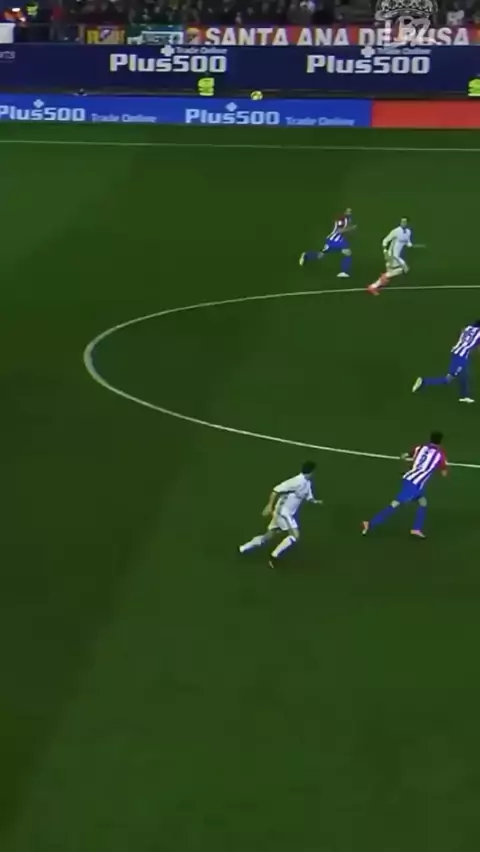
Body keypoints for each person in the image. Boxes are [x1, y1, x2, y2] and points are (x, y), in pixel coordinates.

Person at [362, 432, 447, 539]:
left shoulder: (420, 447)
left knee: (423, 502)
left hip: (410, 479)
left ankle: (416, 529)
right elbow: (444, 473)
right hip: (414, 484)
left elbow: (406, 455)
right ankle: (370, 523)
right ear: (440, 441)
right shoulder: (440, 454)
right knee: (396, 504)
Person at [238, 461, 322, 568]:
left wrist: (316, 502)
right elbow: (276, 490)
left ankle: (244, 547)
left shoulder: (307, 483)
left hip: (283, 513)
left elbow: (308, 497)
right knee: (295, 536)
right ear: (312, 472)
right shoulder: (295, 481)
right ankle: (274, 556)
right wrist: (269, 505)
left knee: (269, 535)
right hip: (283, 512)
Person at [412, 320, 480, 404]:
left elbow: (461, 332)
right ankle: (424, 381)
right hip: (460, 357)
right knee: (448, 379)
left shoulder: (468, 328)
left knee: (465, 375)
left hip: (458, 353)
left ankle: (464, 396)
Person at [367, 217, 421, 295]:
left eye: (405, 222)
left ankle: (379, 282)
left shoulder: (408, 232)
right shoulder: (396, 231)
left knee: (401, 270)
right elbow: (385, 240)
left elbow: (407, 242)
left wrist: (412, 245)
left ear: (407, 223)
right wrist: (385, 252)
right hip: (392, 256)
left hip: (397, 256)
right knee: (402, 269)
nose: (403, 223)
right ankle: (373, 286)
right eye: (402, 222)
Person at [299, 208, 355, 278]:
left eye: (350, 211)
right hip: (334, 241)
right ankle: (306, 255)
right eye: (348, 211)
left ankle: (344, 272)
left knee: (347, 253)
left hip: (341, 241)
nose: (349, 212)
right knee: (320, 255)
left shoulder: (348, 218)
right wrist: (351, 228)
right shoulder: (341, 219)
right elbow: (339, 230)